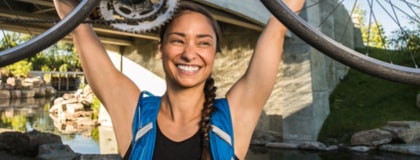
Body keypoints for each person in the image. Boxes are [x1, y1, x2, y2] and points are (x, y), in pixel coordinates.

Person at [53, 0, 305, 159]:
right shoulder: (134, 113)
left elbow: (277, 27)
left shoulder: (231, 119)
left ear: (214, 53)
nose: (189, 53)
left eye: (203, 43)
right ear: (161, 49)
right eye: (178, 40)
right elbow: (78, 26)